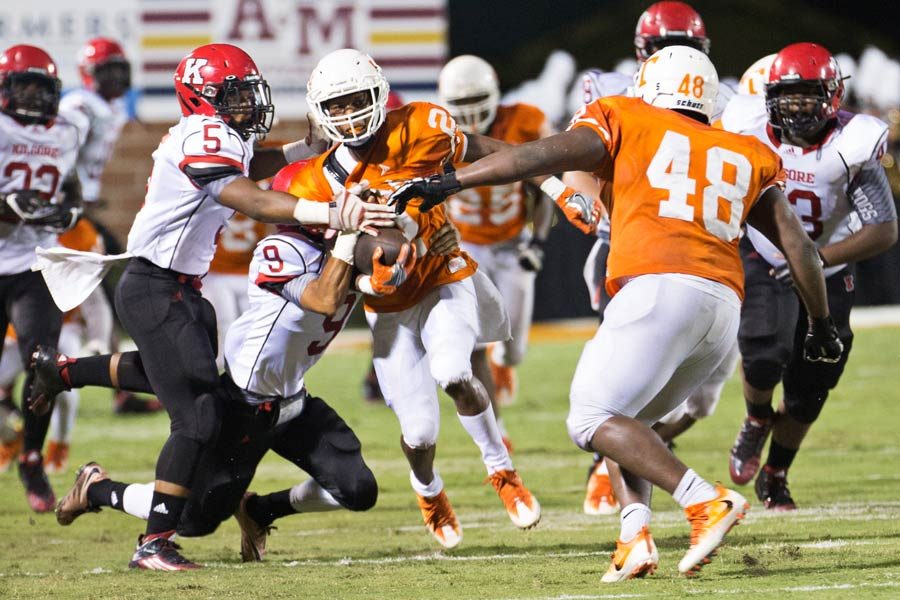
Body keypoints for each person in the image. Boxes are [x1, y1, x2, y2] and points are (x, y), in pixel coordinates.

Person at [390, 45, 841, 580]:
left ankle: (704, 501)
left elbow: (536, 156)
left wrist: (452, 180)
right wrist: (820, 324)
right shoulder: (743, 149)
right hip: (722, 311)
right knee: (633, 422)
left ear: (651, 85)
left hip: (657, 288)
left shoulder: (624, 114)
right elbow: (802, 251)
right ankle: (635, 536)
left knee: (589, 417)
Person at [28, 42, 393, 570]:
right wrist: (330, 212)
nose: (247, 103)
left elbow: (250, 165)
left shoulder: (220, 137)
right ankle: (152, 544)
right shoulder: (205, 134)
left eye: (247, 92)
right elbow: (247, 195)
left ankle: (62, 372)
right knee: (198, 416)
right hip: (155, 284)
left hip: (181, 285)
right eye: (235, 94)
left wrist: (301, 151)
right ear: (203, 99)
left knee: (176, 377)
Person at [51, 164, 412, 563]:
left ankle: (259, 510)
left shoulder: (342, 254)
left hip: (293, 402)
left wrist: (408, 238)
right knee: (193, 521)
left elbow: (393, 251)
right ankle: (97, 489)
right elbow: (324, 298)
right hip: (243, 404)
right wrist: (348, 243)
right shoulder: (282, 250)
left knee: (359, 490)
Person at [292, 48, 571, 549]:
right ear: (319, 112)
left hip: (444, 277)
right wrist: (363, 284)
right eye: (335, 105)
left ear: (379, 95)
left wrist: (549, 183)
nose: (349, 114)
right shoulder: (317, 181)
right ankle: (429, 491)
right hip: (388, 307)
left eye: (357, 100)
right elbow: (323, 274)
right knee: (418, 433)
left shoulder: (419, 125)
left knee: (454, 371)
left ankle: (502, 470)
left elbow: (486, 150)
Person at [567, 0, 738, 517]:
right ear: (642, 52)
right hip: (629, 249)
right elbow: (575, 158)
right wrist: (579, 195)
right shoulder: (613, 92)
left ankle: (630, 462)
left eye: (684, 48)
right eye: (665, 48)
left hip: (702, 256)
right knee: (615, 394)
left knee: (699, 403)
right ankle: (628, 508)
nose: (675, 59)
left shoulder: (720, 97)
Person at [721, 43, 897, 511]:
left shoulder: (851, 146)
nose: (797, 108)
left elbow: (883, 228)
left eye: (807, 97)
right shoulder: (747, 131)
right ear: (769, 97)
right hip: (764, 256)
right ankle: (757, 417)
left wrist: (819, 257)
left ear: (832, 97)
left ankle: (776, 473)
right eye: (788, 97)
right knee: (762, 350)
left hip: (831, 268)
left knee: (811, 384)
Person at [439, 55, 554, 421]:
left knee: (512, 351)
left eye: (477, 101)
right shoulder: (437, 133)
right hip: (465, 243)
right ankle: (495, 426)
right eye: (461, 104)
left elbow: (545, 187)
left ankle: (502, 364)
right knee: (473, 341)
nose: (471, 113)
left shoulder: (524, 121)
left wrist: (537, 243)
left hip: (511, 242)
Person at [0, 44, 87, 512]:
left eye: (42, 85)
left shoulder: (67, 132)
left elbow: (71, 184)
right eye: (23, 84)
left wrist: (72, 207)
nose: (33, 94)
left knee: (45, 363)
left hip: (33, 262)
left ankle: (32, 457)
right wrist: (7, 205)